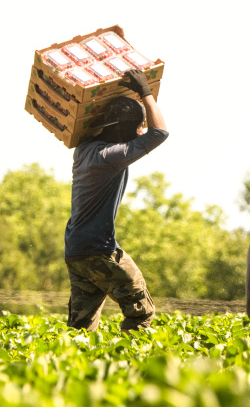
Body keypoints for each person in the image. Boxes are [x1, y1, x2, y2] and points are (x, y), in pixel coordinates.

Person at [63, 69, 168, 332]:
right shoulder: (112, 156)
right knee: (141, 312)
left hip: (76, 251)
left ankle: (74, 369)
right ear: (128, 129)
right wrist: (146, 92)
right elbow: (159, 134)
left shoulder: (84, 150)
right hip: (100, 250)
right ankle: (131, 368)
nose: (140, 131)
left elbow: (98, 124)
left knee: (81, 327)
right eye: (137, 127)